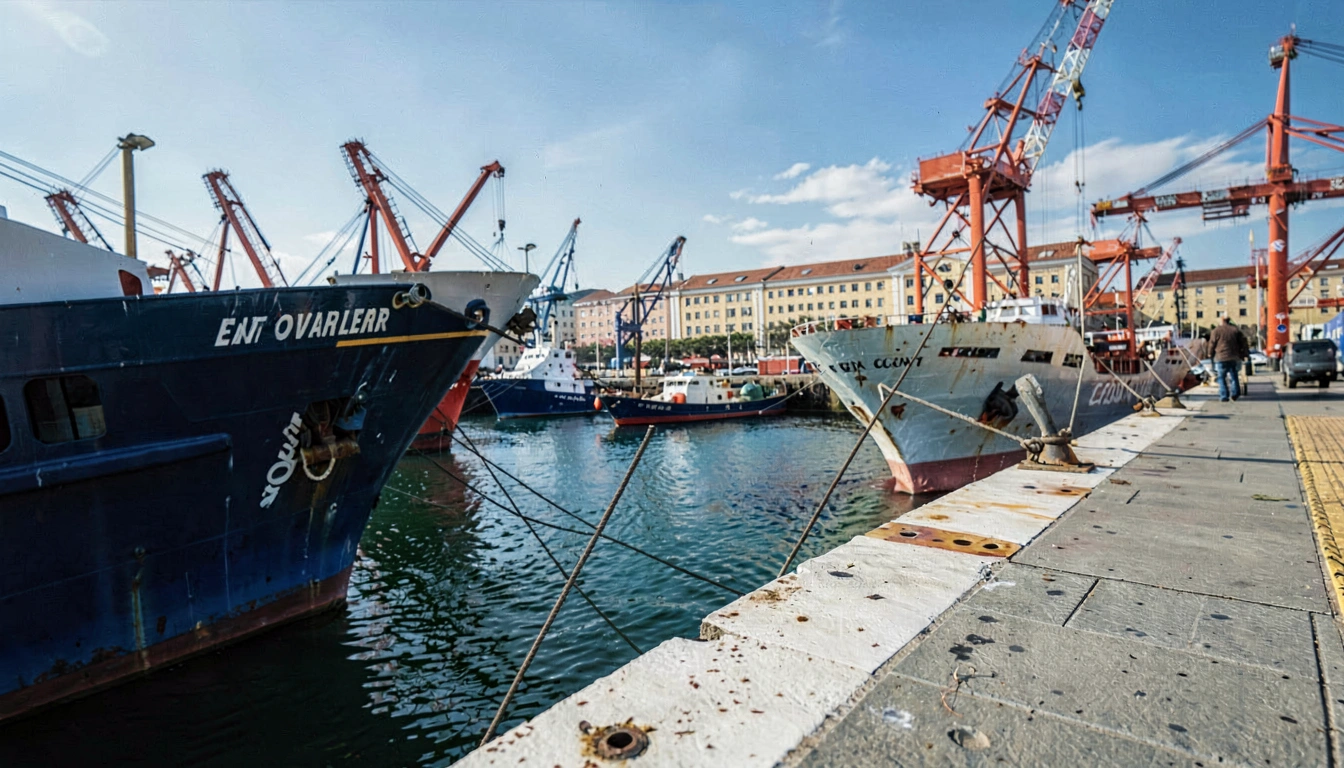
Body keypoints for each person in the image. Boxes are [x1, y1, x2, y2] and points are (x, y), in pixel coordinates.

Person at [1208, 315, 1250, 402]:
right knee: (1234, 376)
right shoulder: (1235, 330)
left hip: (1221, 357)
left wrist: (1209, 353)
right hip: (1234, 357)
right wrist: (1244, 354)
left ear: (1221, 320)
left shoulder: (1216, 331)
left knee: (1221, 377)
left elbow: (1212, 343)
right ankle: (1235, 393)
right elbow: (1243, 343)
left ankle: (1224, 396)